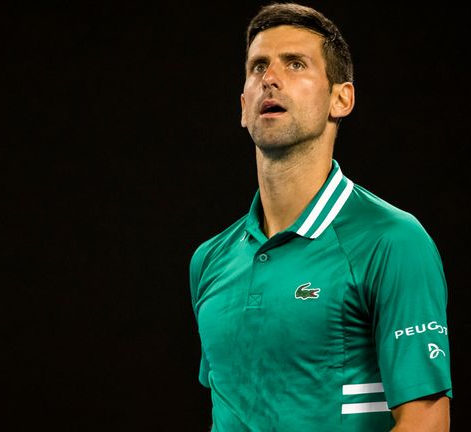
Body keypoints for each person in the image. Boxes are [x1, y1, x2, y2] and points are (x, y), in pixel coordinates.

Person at [189, 3, 452, 431]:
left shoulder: (393, 241)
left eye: (295, 64)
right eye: (258, 67)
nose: (269, 79)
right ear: (242, 106)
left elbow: (427, 423)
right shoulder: (209, 260)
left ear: (341, 98)